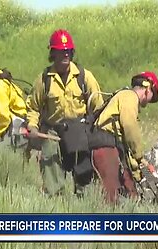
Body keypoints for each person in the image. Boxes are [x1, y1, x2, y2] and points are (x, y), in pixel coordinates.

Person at [25, 29, 104, 197]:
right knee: (50, 156)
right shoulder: (44, 79)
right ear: (53, 53)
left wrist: (93, 131)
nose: (65, 55)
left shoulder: (84, 77)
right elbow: (33, 107)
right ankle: (55, 200)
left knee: (84, 176)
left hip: (79, 130)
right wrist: (32, 126)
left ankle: (85, 200)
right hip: (54, 131)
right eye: (61, 51)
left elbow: (99, 107)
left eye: (68, 51)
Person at [88, 71, 158, 203]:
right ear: (148, 88)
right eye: (153, 95)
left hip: (112, 148)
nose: (150, 100)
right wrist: (139, 156)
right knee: (113, 198)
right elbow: (129, 126)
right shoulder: (129, 97)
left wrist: (140, 168)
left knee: (130, 195)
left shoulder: (124, 97)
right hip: (106, 148)